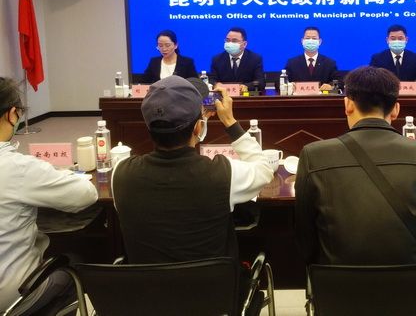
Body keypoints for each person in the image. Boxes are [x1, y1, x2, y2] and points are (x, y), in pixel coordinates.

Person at [295, 66, 416, 265]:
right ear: (396, 110)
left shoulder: (314, 155)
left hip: (339, 283)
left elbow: (305, 243)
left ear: (348, 105)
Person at [111, 75, 273, 264]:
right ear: (198, 128)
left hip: (145, 283)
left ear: (149, 126)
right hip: (213, 283)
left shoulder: (120, 174)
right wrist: (230, 121)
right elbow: (264, 169)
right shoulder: (222, 174)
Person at [0, 77, 98, 314]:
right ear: (12, 114)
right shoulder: (17, 167)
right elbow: (86, 194)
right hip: (10, 298)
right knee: (76, 260)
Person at [369, 24, 416, 93]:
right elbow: (370, 78)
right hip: (385, 95)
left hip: (409, 95)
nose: (397, 41)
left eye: (400, 38)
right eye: (393, 39)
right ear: (387, 40)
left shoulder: (415, 58)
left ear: (406, 40)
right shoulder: (377, 58)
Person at [210, 27, 265, 93]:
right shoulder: (217, 59)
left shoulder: (255, 59)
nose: (230, 43)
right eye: (227, 40)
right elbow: (212, 80)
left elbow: (261, 82)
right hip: (223, 96)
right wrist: (216, 84)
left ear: (244, 44)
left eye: (234, 41)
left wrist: (246, 86)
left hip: (246, 97)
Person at [284, 27, 338, 91]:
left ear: (320, 41)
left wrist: (330, 86)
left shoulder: (329, 63)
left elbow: (338, 82)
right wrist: (289, 85)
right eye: (307, 38)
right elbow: (282, 82)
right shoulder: (292, 63)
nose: (310, 41)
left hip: (322, 96)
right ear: (302, 41)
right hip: (299, 97)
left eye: (314, 38)